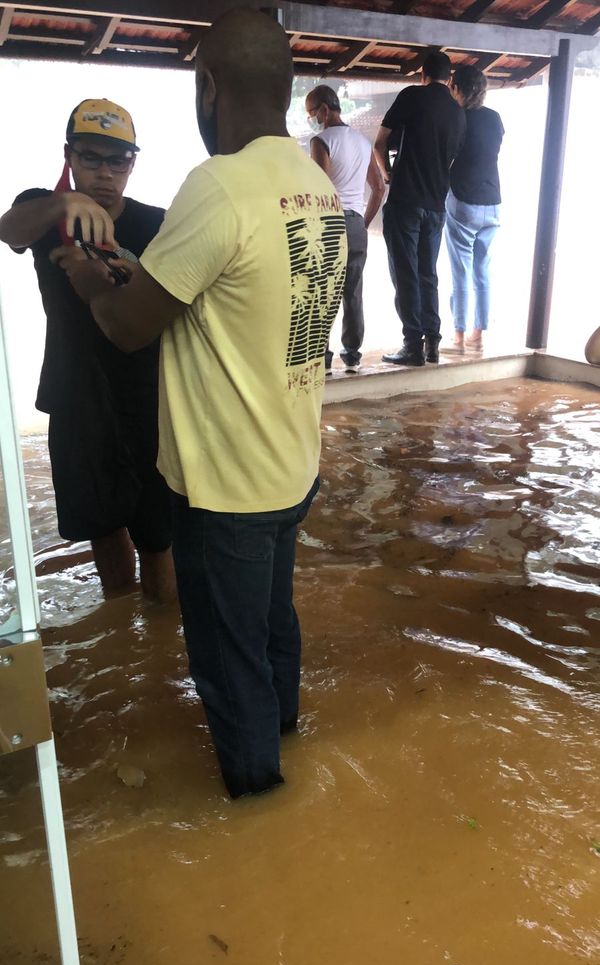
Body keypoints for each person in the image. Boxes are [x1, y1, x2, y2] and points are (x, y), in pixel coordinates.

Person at [56, 9, 347, 799]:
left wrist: (84, 273)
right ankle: (286, 736)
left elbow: (124, 327)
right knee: (273, 625)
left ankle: (258, 805)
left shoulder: (215, 185)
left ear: (208, 86)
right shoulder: (314, 184)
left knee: (226, 659)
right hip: (292, 466)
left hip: (228, 489)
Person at [0, 99, 175, 603]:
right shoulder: (44, 211)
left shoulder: (157, 223)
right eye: (91, 157)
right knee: (102, 527)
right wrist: (61, 204)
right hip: (75, 392)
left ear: (133, 163)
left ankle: (161, 651)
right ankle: (125, 637)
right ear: (69, 157)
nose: (104, 172)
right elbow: (7, 229)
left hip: (148, 394)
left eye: (117, 160)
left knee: (159, 536)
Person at [374, 51, 466, 367]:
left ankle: (412, 345)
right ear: (448, 78)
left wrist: (387, 174)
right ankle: (433, 345)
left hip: (405, 200)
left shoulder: (412, 95)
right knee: (428, 273)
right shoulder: (458, 112)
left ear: (422, 73)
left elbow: (379, 143)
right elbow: (451, 160)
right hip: (436, 205)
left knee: (405, 272)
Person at [305, 84, 385, 374]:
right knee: (353, 291)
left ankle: (323, 359)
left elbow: (321, 190)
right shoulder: (362, 142)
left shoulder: (321, 141)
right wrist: (361, 223)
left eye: (312, 113)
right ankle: (352, 356)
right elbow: (378, 188)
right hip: (355, 224)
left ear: (324, 110)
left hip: (330, 223)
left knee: (324, 291)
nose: (312, 119)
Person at [443, 65, 504, 356]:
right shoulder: (495, 118)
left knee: (461, 269)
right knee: (482, 270)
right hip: (492, 201)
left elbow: (450, 155)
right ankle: (478, 334)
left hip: (463, 200)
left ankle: (458, 335)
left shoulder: (458, 118)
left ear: (457, 89)